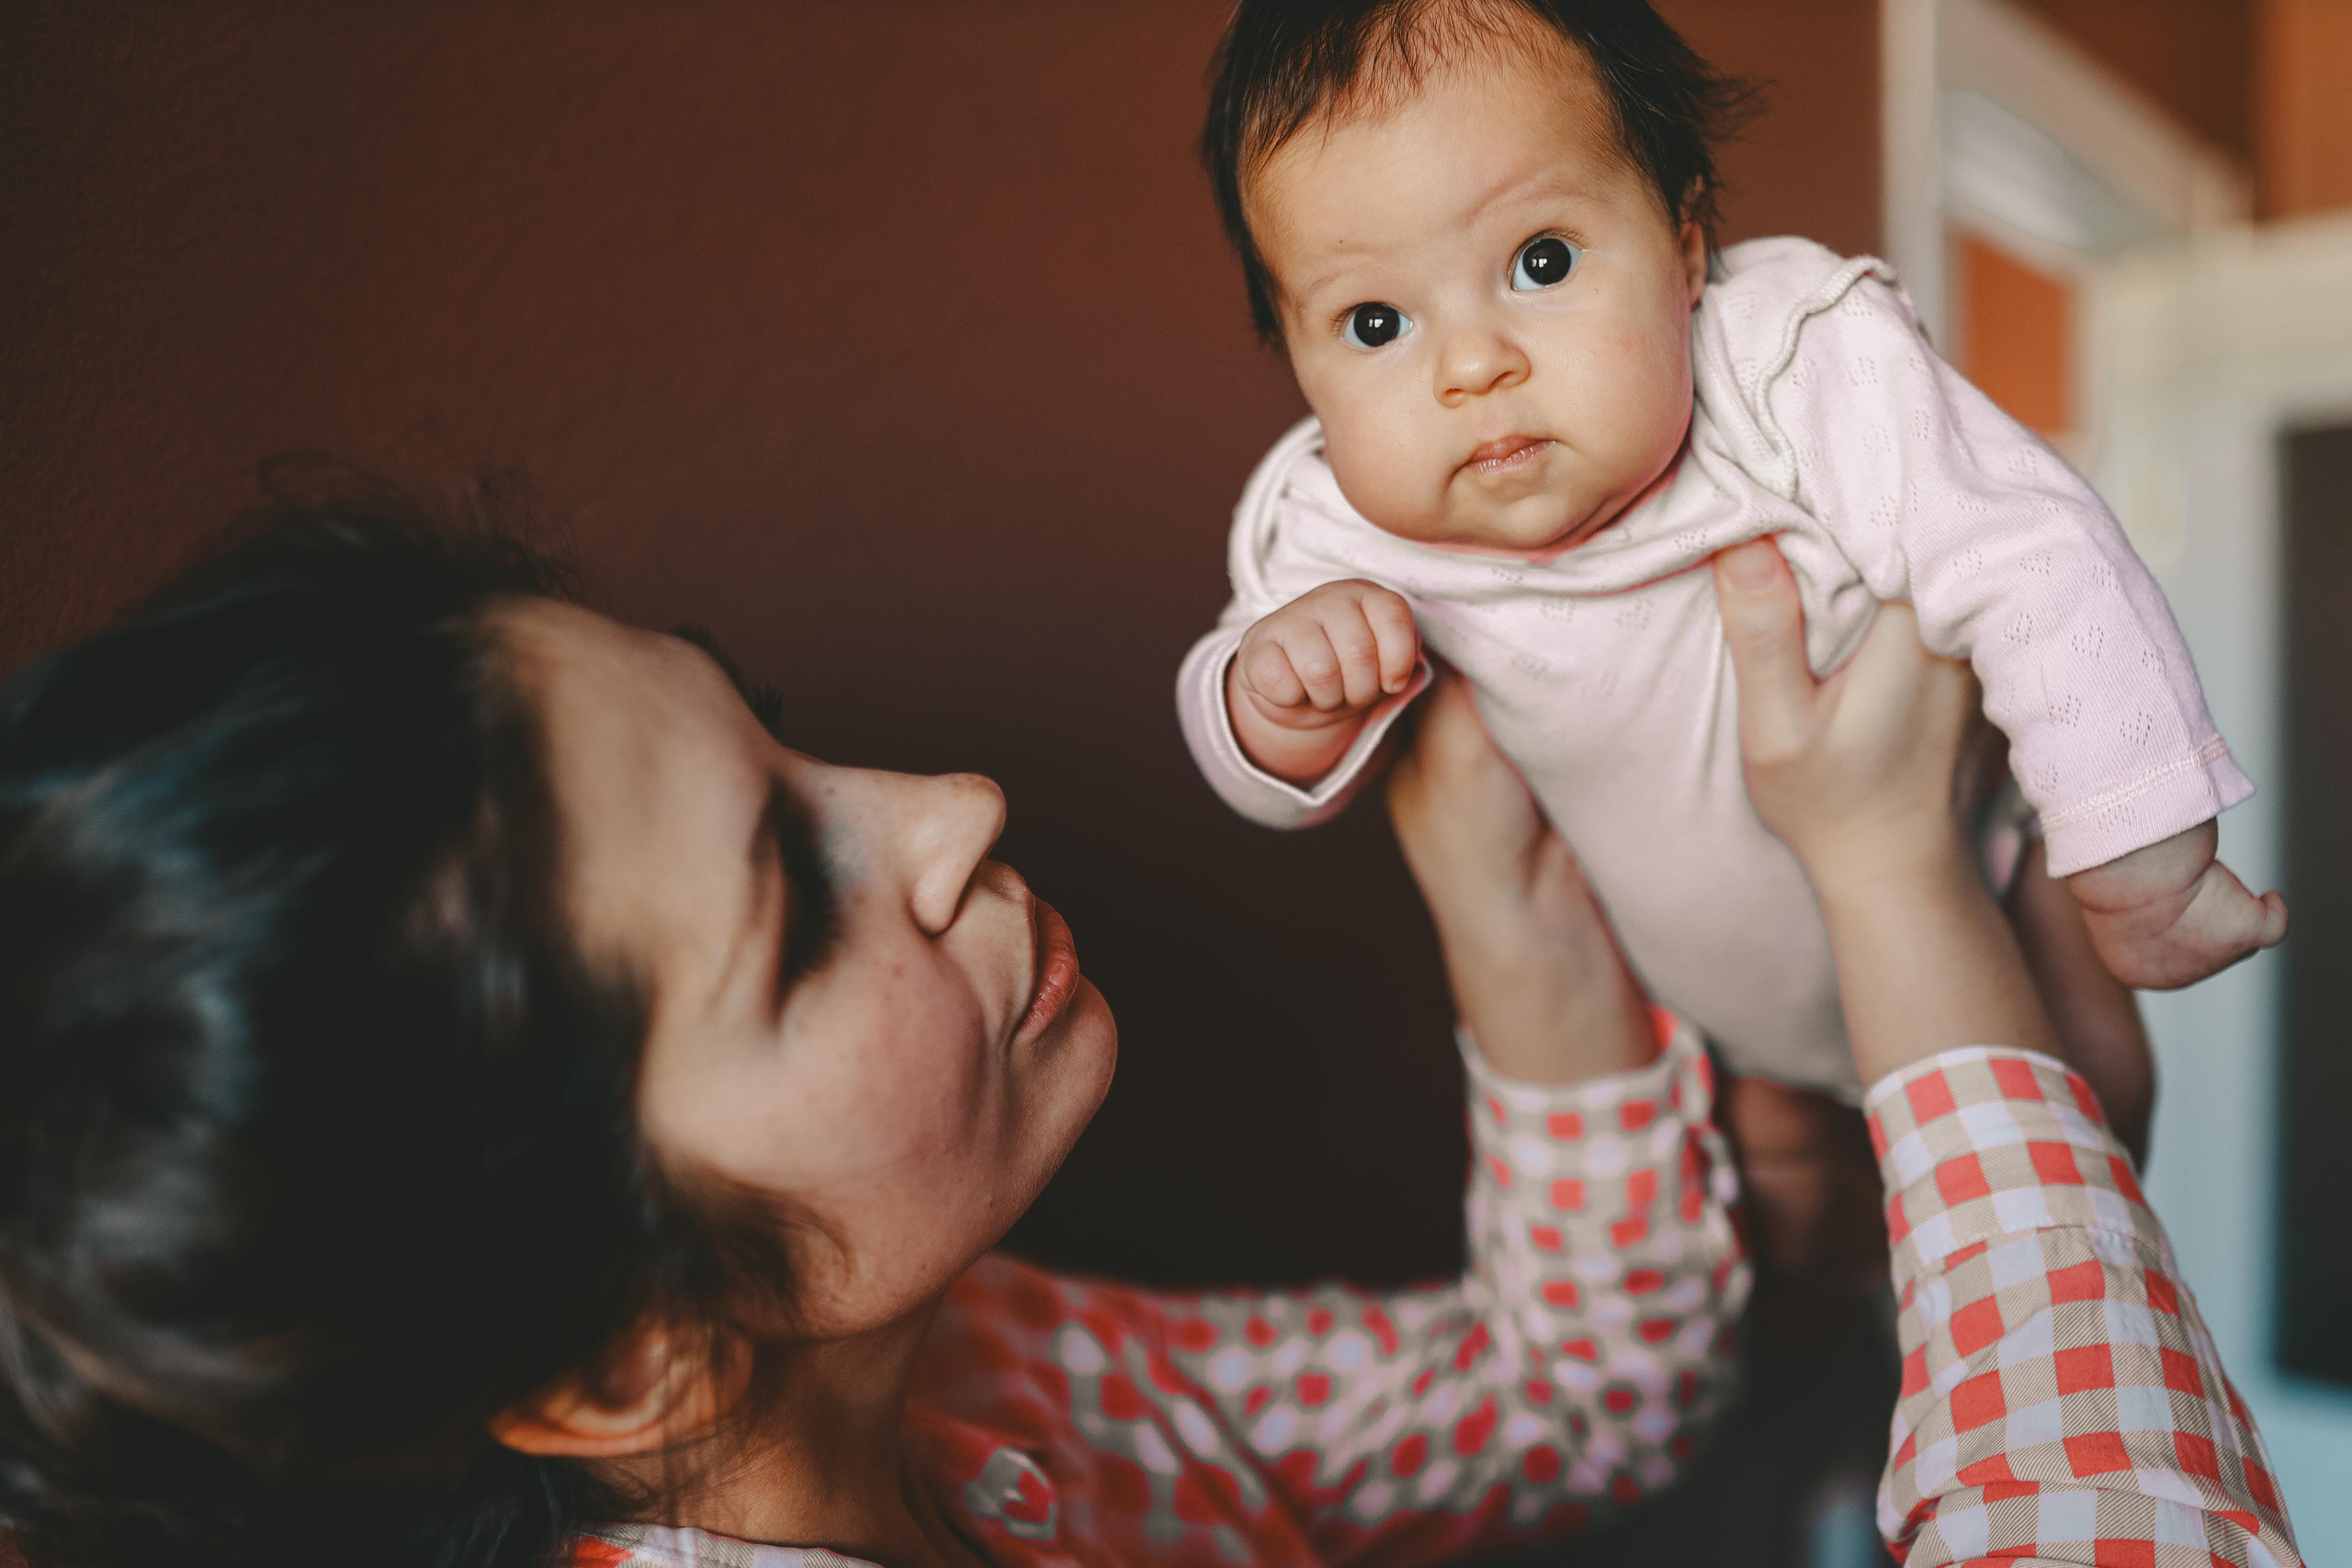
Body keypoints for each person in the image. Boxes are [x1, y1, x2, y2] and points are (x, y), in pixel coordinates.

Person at [0, 491, 2298, 1568]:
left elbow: (1553, 1403)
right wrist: (1905, 912)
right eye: (793, 908)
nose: (949, 804)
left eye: (788, 748)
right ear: (617, 1362)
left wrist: (1510, 928)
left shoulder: (996, 1373)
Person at [1176, 0, 2283, 1122]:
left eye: (1540, 260)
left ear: (1685, 246)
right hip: (1715, 1025)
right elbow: (1255, 763)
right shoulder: (1335, 529)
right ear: (1299, 365)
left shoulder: (1787, 365)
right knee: (1782, 1194)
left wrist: (2141, 840)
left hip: (1981, 893)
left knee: (2099, 1095)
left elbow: (2027, 548)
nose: (1472, 365)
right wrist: (1278, 693)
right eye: (1374, 324)